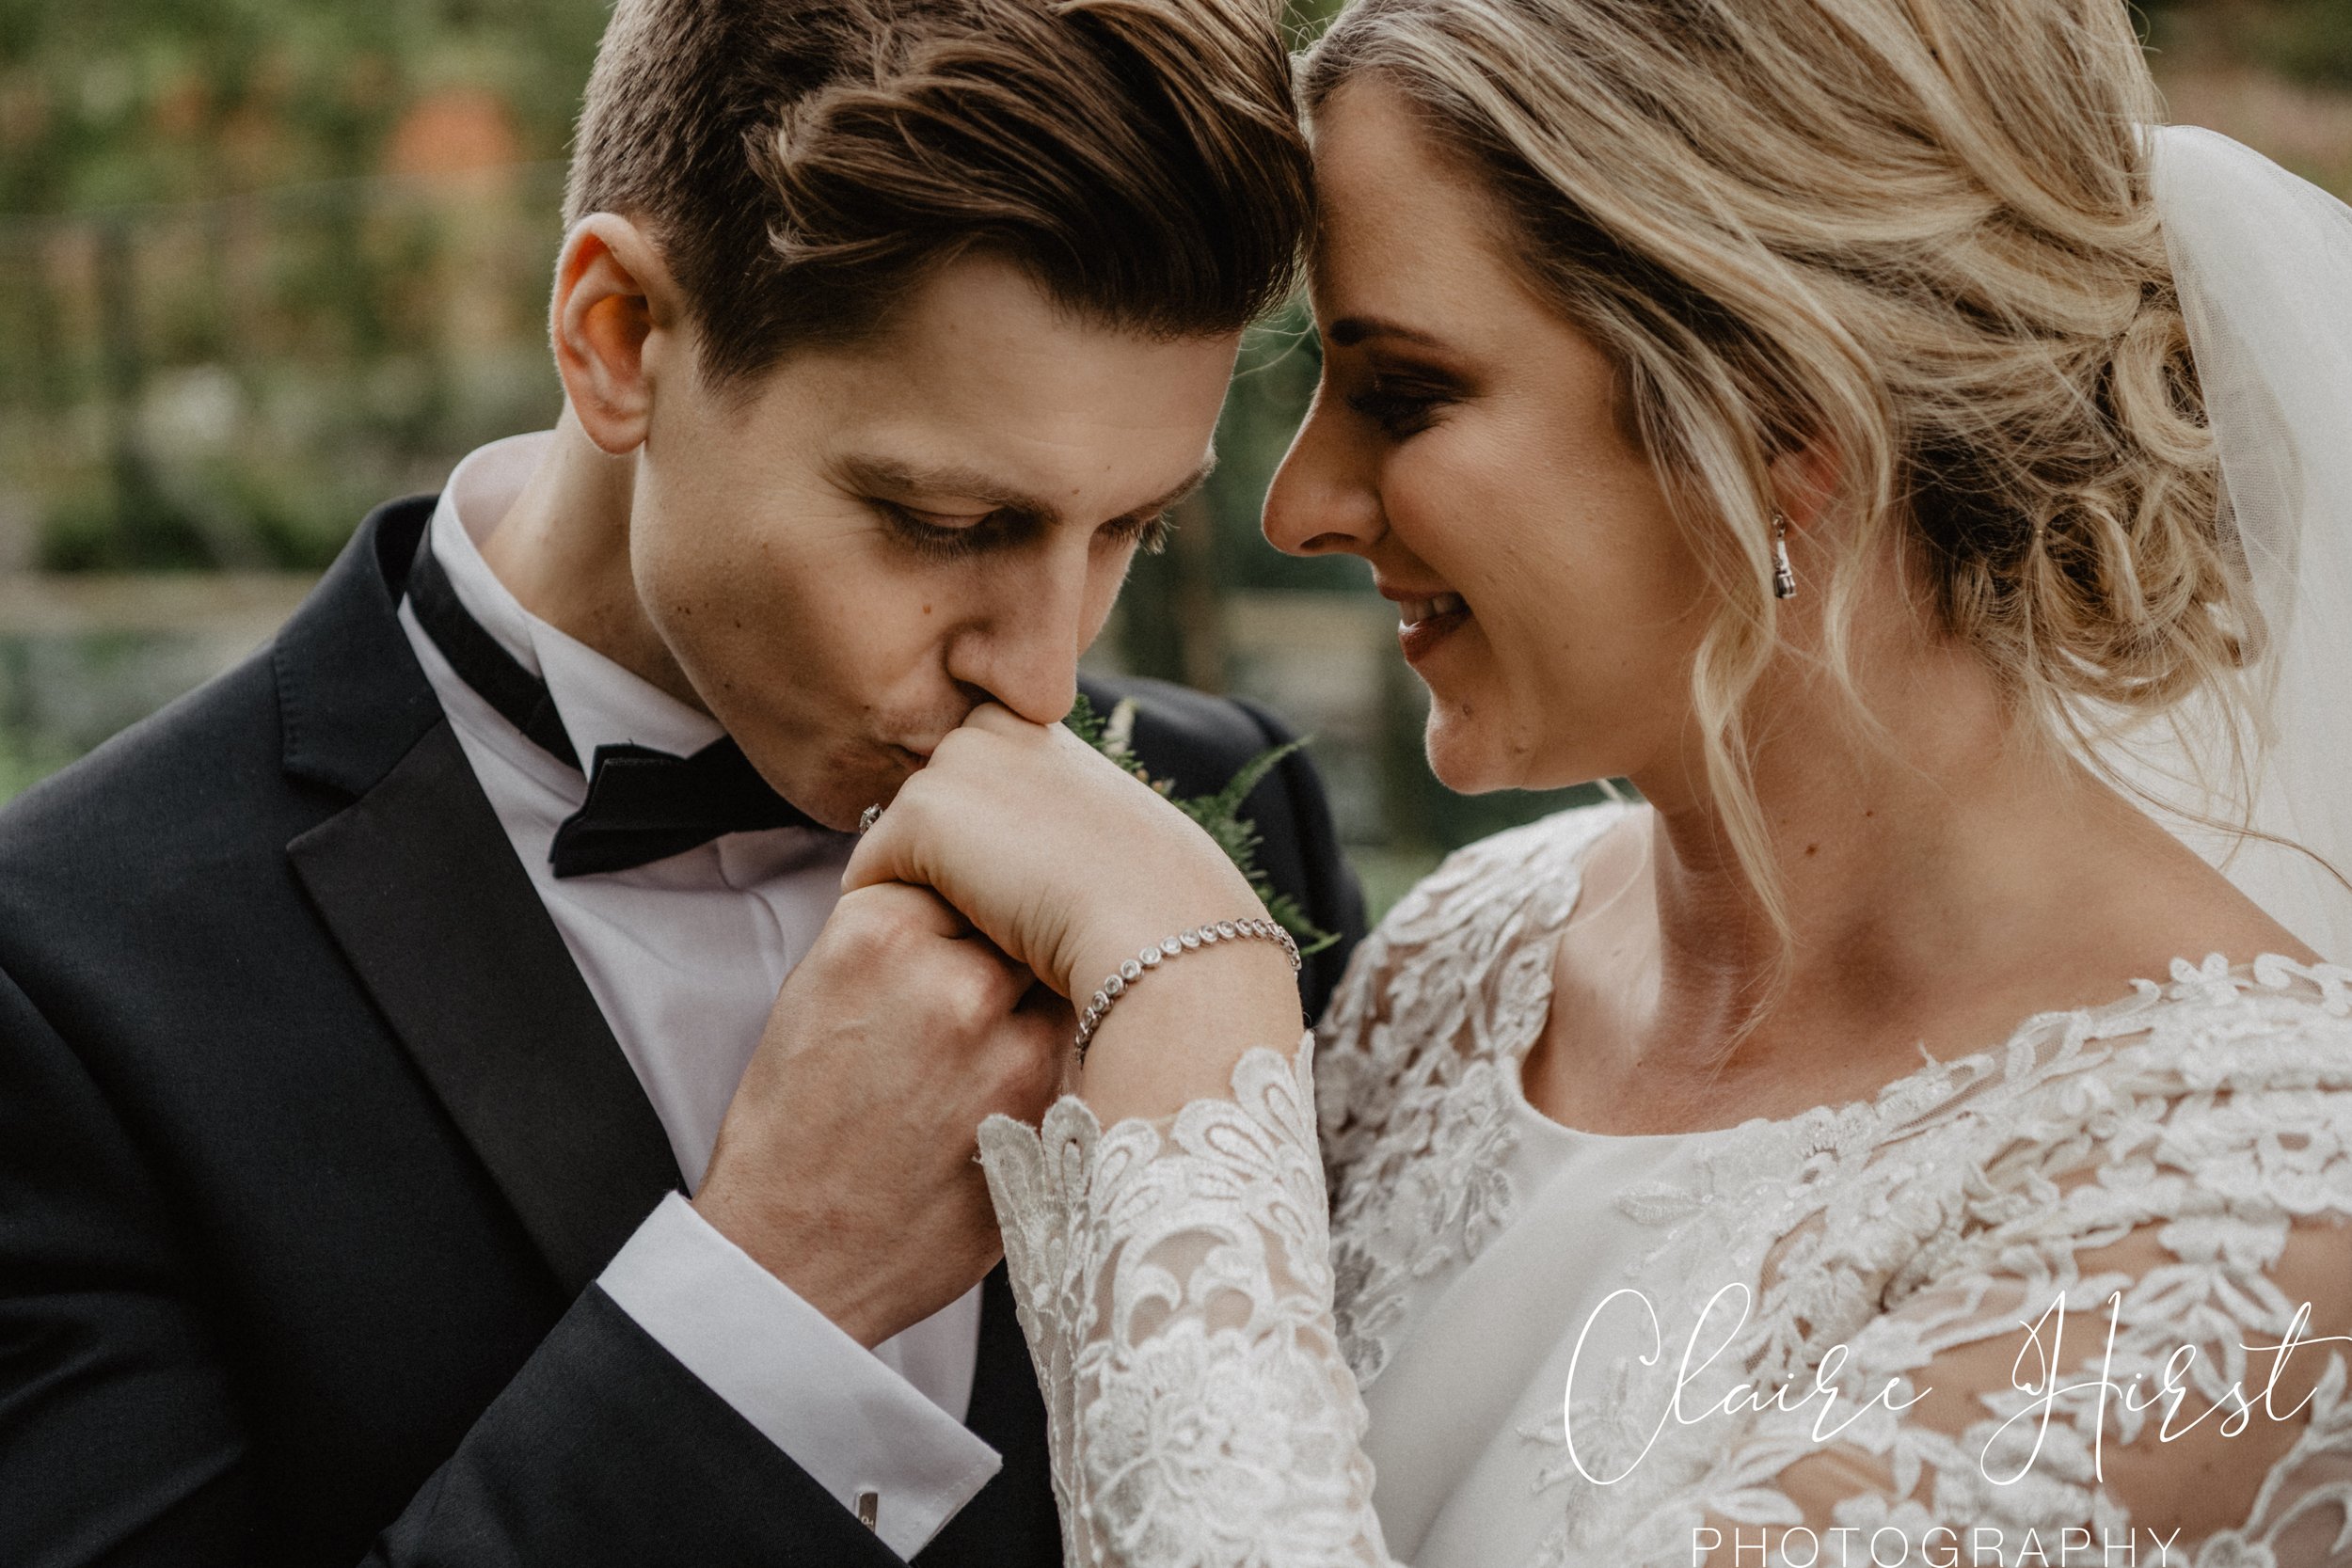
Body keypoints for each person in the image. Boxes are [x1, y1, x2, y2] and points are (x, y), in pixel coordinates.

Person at [845, 0, 2352, 1562]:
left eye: (1404, 393)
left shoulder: (2262, 1219)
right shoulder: (1463, 960)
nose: (1297, 504)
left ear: (1781, 422)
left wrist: (1182, 1021)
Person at [0, 0, 1366, 1563]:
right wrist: (782, 1288)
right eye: (943, 522)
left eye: (1133, 526)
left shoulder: (1223, 827)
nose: (1047, 678)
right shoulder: (60, 991)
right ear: (620, 338)